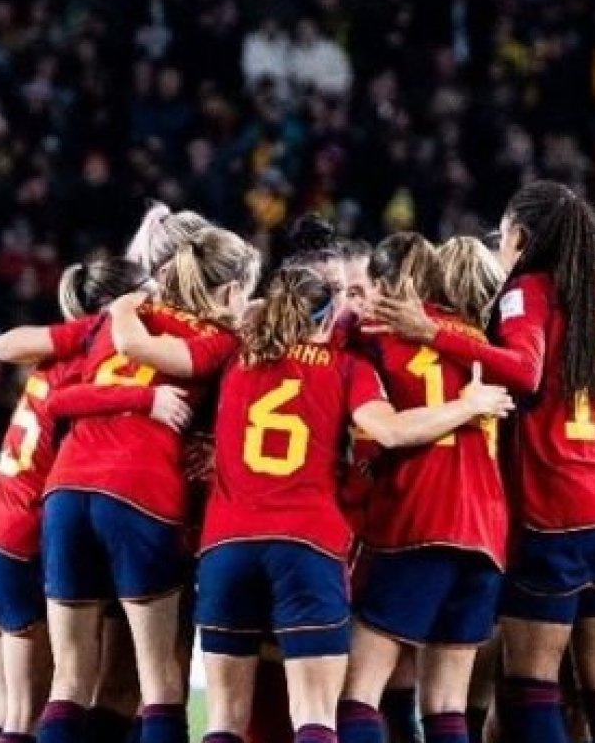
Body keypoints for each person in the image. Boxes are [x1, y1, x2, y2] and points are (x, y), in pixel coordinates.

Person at [194, 263, 513, 743]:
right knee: (316, 716)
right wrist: (468, 406)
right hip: (306, 546)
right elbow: (390, 430)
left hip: (224, 546)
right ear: (327, 318)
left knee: (224, 721)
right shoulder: (347, 368)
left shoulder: (235, 357)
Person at [373, 180, 595, 743]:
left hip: (562, 510)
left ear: (520, 235)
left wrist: (432, 333)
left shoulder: (529, 291)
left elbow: (524, 372)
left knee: (530, 683)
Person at [0, 225, 260, 743]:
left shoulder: (112, 321)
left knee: (70, 682)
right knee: (159, 682)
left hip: (67, 491)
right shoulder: (218, 342)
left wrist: (121, 309)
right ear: (229, 291)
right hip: (142, 494)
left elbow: (47, 388)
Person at [0, 259, 173, 743]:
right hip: (24, 541)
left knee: (3, 713)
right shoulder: (93, 362)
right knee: (29, 716)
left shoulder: (53, 358)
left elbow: (5, 345)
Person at [337, 233, 509, 743]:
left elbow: (386, 427)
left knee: (358, 692)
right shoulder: (479, 341)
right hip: (486, 533)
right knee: (447, 705)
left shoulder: (376, 337)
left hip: (420, 521)